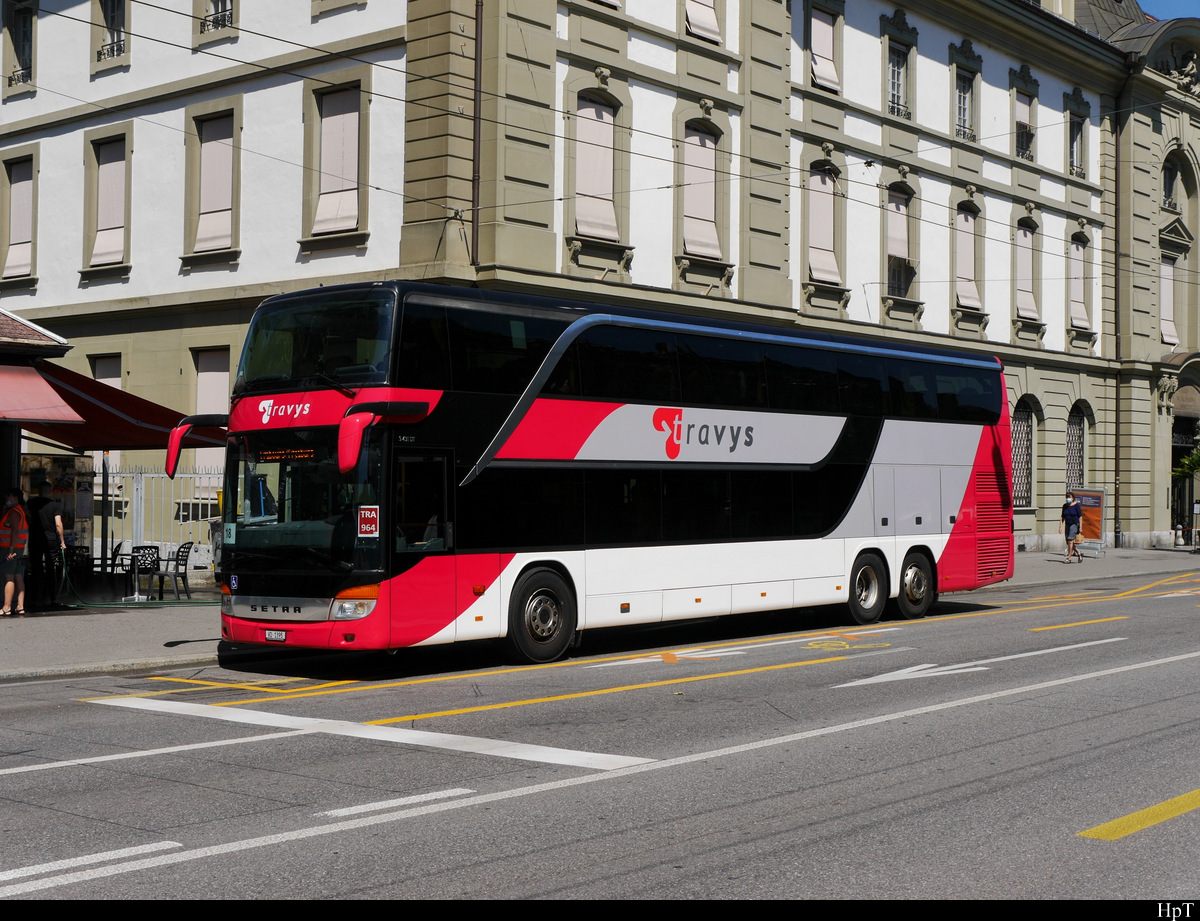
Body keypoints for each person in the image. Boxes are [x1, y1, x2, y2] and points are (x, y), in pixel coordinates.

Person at [26, 481, 66, 608]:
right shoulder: (54, 505)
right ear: (49, 491)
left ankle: (35, 599)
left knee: (36, 568)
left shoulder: (31, 503)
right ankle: (53, 599)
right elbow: (58, 524)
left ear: (38, 490)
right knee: (51, 569)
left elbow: (27, 518)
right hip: (50, 539)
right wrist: (62, 541)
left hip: (34, 538)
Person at [0, 487, 29, 615]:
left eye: (9, 497)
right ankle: (20, 606)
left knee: (9, 577)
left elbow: (15, 530)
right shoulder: (19, 511)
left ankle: (6, 607)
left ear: (15, 498)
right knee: (17, 576)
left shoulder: (14, 512)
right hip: (19, 548)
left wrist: (10, 549)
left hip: (9, 548)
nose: (7, 499)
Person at [1059, 490, 1083, 563]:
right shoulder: (1065, 506)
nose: (1068, 499)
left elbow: (1080, 517)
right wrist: (1060, 526)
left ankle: (1068, 557)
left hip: (1074, 524)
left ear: (1073, 498)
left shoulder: (1076, 506)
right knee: (1068, 542)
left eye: (1069, 497)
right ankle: (1079, 552)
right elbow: (1062, 517)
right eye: (1066, 497)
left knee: (1070, 541)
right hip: (1067, 524)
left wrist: (1080, 527)